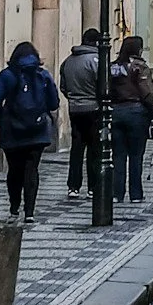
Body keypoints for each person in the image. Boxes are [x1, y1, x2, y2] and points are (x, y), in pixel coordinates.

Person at [0, 41, 61, 220]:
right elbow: (54, 103)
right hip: (38, 131)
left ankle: (14, 208)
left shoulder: (6, 75)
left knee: (14, 170)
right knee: (32, 169)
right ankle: (29, 212)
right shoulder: (43, 75)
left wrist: (4, 120)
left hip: (12, 130)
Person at [106, 36, 153, 202]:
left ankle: (116, 193)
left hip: (116, 112)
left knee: (118, 155)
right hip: (136, 112)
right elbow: (147, 93)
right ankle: (136, 194)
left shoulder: (113, 66)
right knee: (136, 156)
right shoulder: (139, 67)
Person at [61, 28, 103, 197]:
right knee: (94, 148)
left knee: (77, 148)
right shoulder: (97, 60)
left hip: (74, 109)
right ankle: (93, 186)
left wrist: (73, 98)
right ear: (96, 42)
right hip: (93, 108)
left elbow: (63, 86)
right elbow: (102, 86)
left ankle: (73, 186)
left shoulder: (68, 61)